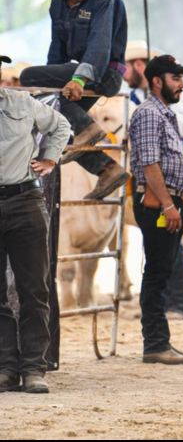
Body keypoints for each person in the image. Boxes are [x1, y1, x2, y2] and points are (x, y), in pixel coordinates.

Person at [19, 0, 129, 201]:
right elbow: (56, 50)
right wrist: (48, 92)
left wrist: (78, 80)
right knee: (57, 123)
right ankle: (107, 169)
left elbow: (100, 45)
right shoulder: (57, 3)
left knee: (27, 76)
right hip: (79, 73)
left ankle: (86, 127)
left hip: (105, 73)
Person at [0, 54, 72, 393]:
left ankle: (33, 368)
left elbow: (61, 125)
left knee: (34, 288)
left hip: (25, 199)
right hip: (19, 202)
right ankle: (6, 367)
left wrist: (49, 158)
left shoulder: (21, 101)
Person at [128, 55, 183, 365]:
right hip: (159, 200)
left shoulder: (162, 113)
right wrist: (168, 204)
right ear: (158, 81)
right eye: (176, 78)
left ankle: (159, 340)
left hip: (167, 199)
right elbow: (149, 162)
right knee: (157, 273)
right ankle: (155, 343)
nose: (181, 84)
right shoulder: (150, 115)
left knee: (161, 270)